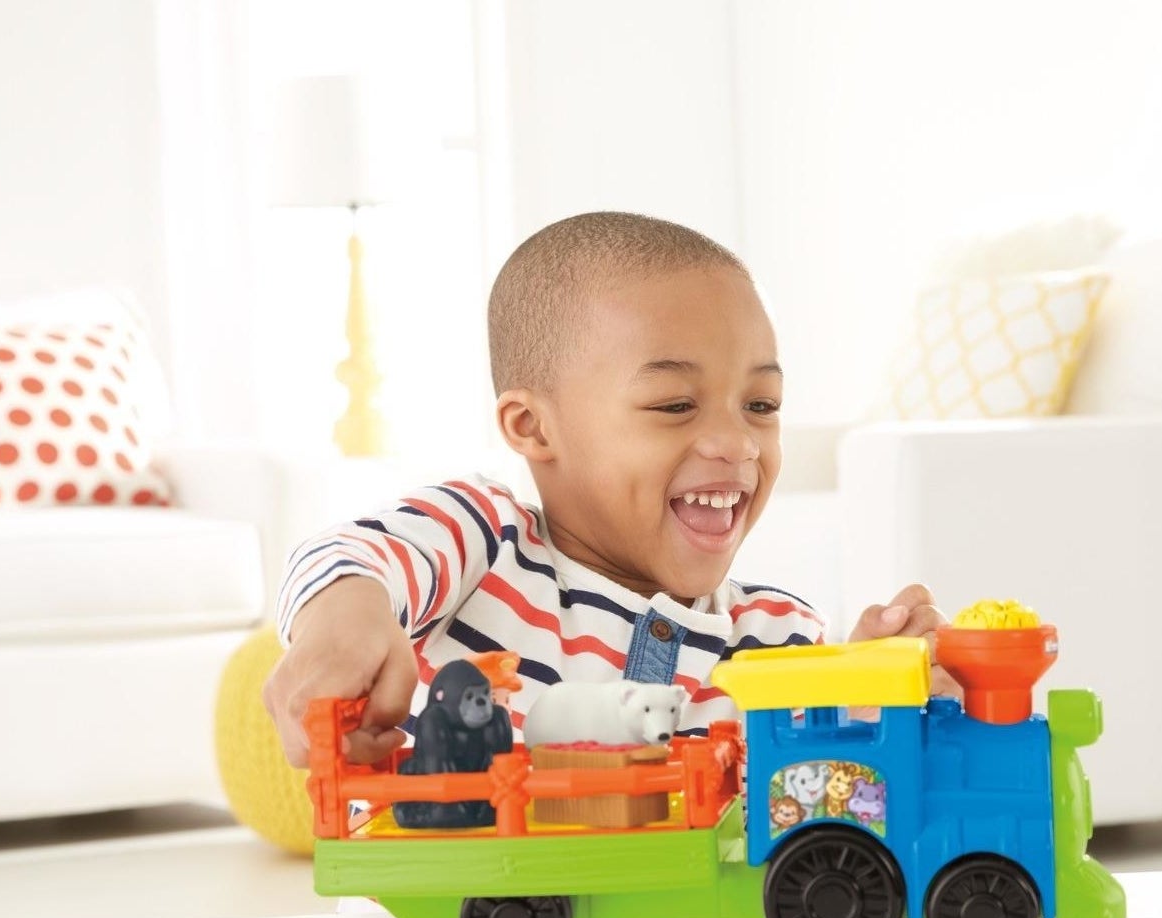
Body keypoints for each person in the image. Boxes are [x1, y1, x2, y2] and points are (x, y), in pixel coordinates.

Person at [264, 211, 953, 768]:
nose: (738, 443)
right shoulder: (482, 539)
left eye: (761, 406)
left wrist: (870, 699)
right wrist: (345, 619)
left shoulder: (783, 641)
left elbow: (817, 798)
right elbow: (352, 557)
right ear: (533, 426)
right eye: (674, 405)